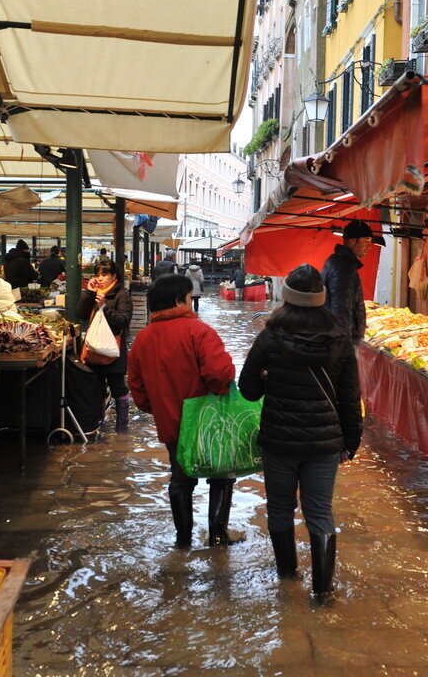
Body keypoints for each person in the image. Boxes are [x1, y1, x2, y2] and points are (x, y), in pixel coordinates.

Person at [239, 264, 362, 600]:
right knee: (320, 512)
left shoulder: (270, 337)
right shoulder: (340, 341)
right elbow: (351, 399)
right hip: (324, 445)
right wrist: (350, 443)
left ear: (287, 297)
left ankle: (287, 576)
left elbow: (247, 390)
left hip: (278, 442)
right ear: (322, 298)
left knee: (279, 509)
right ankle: (322, 594)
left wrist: (266, 377)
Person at [128, 274, 237, 549]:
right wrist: (221, 390)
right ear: (179, 299)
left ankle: (183, 539)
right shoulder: (199, 331)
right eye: (189, 296)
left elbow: (137, 387)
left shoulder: (142, 338)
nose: (191, 301)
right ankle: (217, 536)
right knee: (220, 475)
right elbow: (220, 373)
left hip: (172, 424)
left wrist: (159, 409)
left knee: (180, 479)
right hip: (208, 420)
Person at [78, 258, 134, 433]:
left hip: (112, 349)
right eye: (98, 275)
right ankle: (97, 424)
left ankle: (122, 427)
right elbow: (81, 313)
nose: (100, 278)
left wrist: (104, 307)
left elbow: (123, 321)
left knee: (118, 387)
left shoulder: (121, 295)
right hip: (93, 349)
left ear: (114, 276)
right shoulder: (94, 292)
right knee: (95, 388)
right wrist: (88, 293)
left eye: (104, 274)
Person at [321, 219, 378, 344]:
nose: (369, 246)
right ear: (352, 241)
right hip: (339, 340)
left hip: (333, 336)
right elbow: (341, 308)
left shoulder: (337, 261)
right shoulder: (343, 267)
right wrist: (344, 345)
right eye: (366, 241)